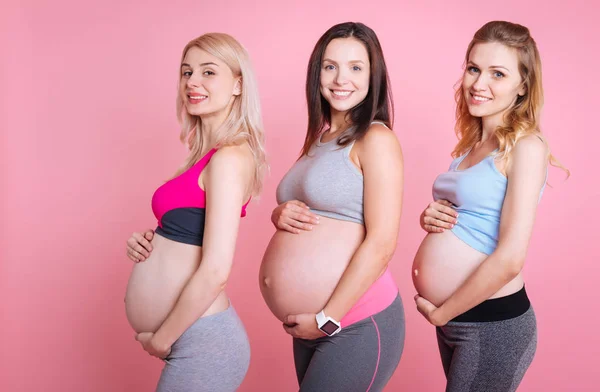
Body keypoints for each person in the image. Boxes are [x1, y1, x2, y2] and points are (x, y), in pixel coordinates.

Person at [412, 20, 568, 392]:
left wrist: (442, 313)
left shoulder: (527, 147)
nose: (478, 84)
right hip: (459, 320)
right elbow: (472, 218)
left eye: (497, 73)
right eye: (473, 68)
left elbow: (511, 256)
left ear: (522, 86)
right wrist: (430, 216)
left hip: (490, 322)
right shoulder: (470, 146)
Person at [259, 22, 405, 392]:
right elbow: (315, 204)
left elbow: (383, 241)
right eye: (330, 66)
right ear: (317, 73)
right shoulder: (321, 137)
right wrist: (280, 213)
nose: (342, 78)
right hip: (312, 324)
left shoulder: (376, 138)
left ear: (374, 77)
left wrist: (328, 319)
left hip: (354, 320)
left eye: (356, 67)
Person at [123, 32, 266, 392]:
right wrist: (150, 242)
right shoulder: (205, 156)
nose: (193, 82)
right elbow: (187, 230)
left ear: (237, 84)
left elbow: (217, 269)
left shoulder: (230, 158)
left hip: (202, 339)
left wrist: (162, 338)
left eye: (208, 72)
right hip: (188, 334)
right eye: (187, 72)